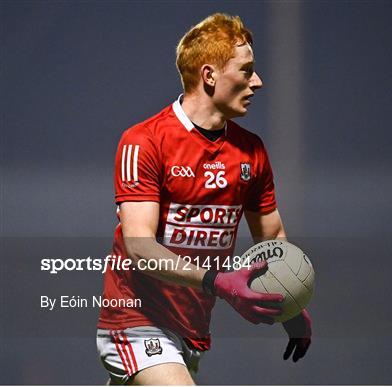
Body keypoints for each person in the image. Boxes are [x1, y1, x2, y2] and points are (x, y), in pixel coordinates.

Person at [96, 13, 312, 385]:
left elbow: (272, 236)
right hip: (135, 321)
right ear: (209, 75)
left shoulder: (250, 152)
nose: (257, 82)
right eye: (246, 71)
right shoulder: (144, 141)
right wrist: (218, 280)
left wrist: (289, 302)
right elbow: (139, 247)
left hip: (191, 330)